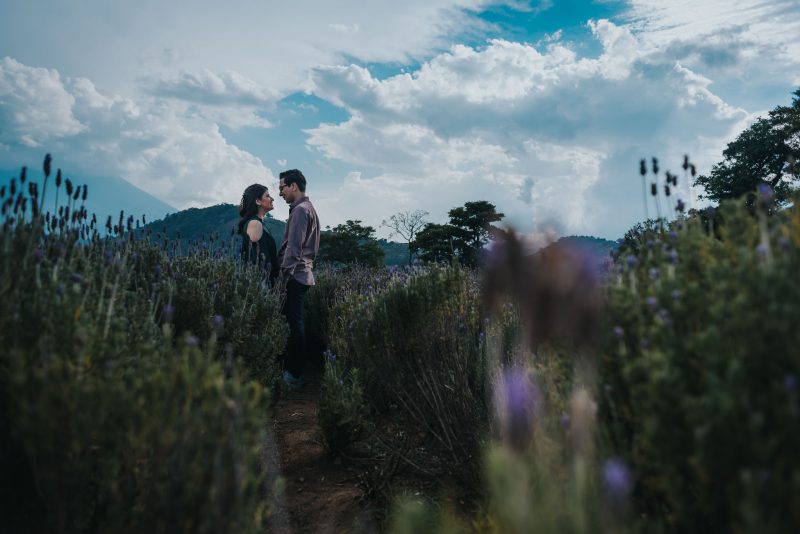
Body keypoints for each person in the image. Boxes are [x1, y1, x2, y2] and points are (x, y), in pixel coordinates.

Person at [277, 169, 320, 389]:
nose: (280, 193)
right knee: (296, 323)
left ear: (293, 186)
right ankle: (294, 371)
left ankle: (294, 374)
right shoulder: (307, 209)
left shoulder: (301, 211)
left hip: (295, 276)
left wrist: (283, 280)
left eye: (282, 187)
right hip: (303, 275)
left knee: (295, 326)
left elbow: (293, 249)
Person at [238, 184, 279, 286]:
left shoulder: (258, 223)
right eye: (267, 196)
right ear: (258, 201)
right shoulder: (255, 223)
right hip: (261, 283)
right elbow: (257, 257)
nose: (272, 199)